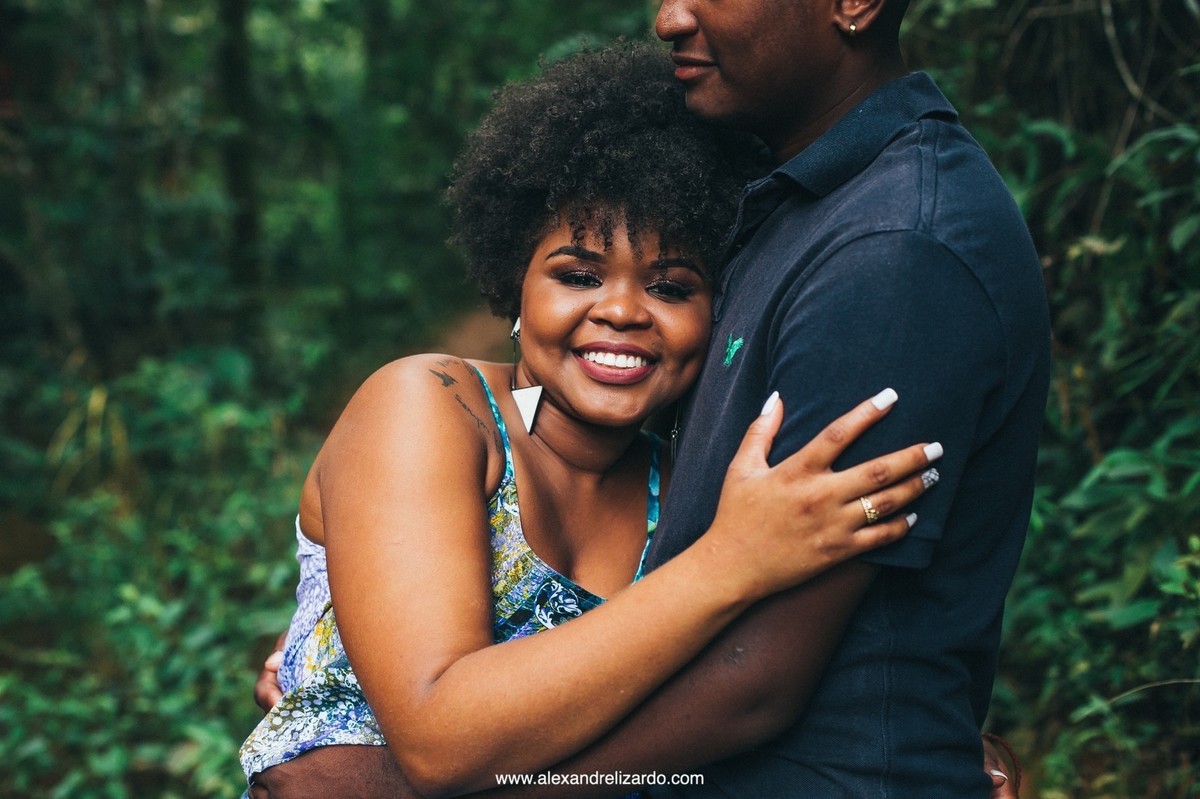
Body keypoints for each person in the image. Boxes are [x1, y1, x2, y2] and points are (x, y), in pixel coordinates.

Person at [239, 42, 942, 798]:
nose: (621, 311)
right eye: (578, 275)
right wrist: (734, 561)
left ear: (718, 313)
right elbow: (441, 743)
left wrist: (949, 746)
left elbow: (737, 707)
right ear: (515, 284)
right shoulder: (432, 407)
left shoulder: (689, 488)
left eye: (671, 288)